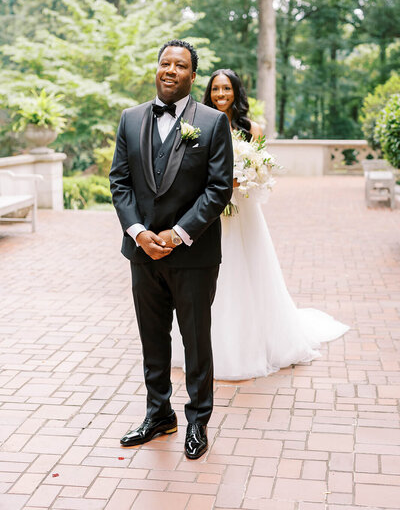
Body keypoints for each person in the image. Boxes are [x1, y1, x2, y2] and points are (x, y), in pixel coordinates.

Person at [172, 68, 349, 380]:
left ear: (236, 92)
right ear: (209, 92)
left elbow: (262, 172)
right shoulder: (196, 124)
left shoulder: (252, 128)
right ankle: (204, 344)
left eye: (226, 88)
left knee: (242, 271)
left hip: (241, 212)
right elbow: (187, 166)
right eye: (215, 89)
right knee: (207, 277)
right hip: (206, 213)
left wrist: (243, 181)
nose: (220, 95)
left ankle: (247, 345)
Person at [109, 42, 233, 459]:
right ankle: (158, 413)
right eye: (165, 63)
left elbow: (218, 189)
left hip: (193, 255)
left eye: (180, 66)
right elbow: (119, 182)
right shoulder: (129, 119)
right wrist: (139, 232)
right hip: (142, 251)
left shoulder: (213, 123)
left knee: (196, 339)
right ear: (156, 69)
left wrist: (178, 234)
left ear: (193, 77)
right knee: (152, 338)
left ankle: (198, 421)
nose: (170, 70)